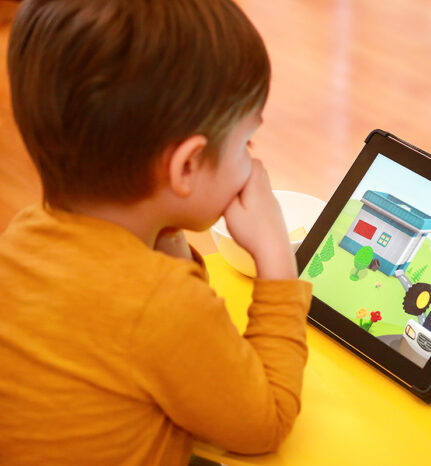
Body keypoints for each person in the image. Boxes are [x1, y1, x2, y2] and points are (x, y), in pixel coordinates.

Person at [0, 1, 312, 464]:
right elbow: (266, 421)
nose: (253, 162)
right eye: (246, 143)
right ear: (186, 165)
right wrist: (277, 267)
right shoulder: (163, 305)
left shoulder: (22, 238)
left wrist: (166, 232)